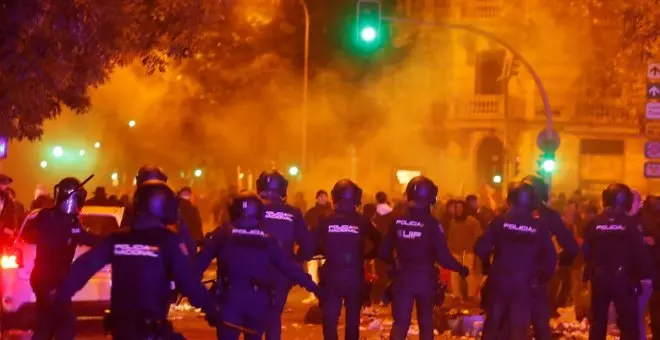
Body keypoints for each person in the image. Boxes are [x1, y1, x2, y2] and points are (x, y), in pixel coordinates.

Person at [55, 180, 221, 339]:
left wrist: (61, 294)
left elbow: (84, 266)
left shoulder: (117, 239)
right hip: (152, 330)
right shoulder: (168, 241)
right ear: (159, 205)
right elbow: (188, 283)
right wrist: (212, 309)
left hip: (121, 330)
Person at [195, 192, 317, 339]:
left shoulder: (223, 234)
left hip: (229, 300)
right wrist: (315, 288)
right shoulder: (268, 239)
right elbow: (289, 267)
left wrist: (203, 301)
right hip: (258, 302)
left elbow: (198, 265)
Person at [379, 176, 469, 340]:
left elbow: (384, 252)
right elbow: (443, 257)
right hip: (425, 280)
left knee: (400, 324)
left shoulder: (397, 222)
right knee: (426, 323)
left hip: (402, 279)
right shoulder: (433, 224)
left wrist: (394, 267)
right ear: (430, 198)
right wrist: (461, 269)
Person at [475, 181, 557, 340]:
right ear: (533, 203)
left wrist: (488, 269)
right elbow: (550, 259)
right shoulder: (539, 228)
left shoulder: (499, 222)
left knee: (493, 325)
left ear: (510, 200)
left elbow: (481, 249)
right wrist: (538, 279)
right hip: (524, 286)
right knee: (518, 329)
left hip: (499, 283)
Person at [31, 177, 102, 340]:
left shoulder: (71, 223)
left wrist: (115, 240)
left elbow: (88, 238)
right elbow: (45, 231)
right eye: (78, 199)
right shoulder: (47, 217)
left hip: (57, 281)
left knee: (48, 324)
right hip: (47, 280)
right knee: (60, 324)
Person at [582, 183, 653, 340]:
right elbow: (639, 254)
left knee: (598, 322)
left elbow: (586, 250)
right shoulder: (630, 225)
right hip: (624, 280)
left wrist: (591, 269)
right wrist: (644, 275)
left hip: (599, 279)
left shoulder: (594, 223)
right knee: (628, 324)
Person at [313, 180, 381, 340]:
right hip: (354, 275)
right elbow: (380, 241)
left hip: (331, 274)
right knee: (352, 321)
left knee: (330, 319)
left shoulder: (324, 219)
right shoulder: (362, 220)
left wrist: (322, 251)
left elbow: (311, 243)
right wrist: (367, 255)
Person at [256, 169, 314, 340]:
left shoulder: (251, 209)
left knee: (254, 318)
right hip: (282, 273)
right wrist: (297, 261)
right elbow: (308, 246)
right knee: (274, 316)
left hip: (254, 270)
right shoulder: (293, 213)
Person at [521, 175, 579, 328]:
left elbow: (571, 246)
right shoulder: (511, 214)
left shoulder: (548, 216)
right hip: (519, 277)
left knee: (538, 322)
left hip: (540, 278)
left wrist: (556, 259)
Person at [447, 200, 482, 301]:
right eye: (456, 208)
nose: (458, 210)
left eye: (460, 208)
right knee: (455, 276)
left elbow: (478, 237)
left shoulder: (472, 222)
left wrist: (475, 251)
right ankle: (457, 296)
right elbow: (451, 237)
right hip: (456, 253)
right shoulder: (453, 222)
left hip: (468, 253)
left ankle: (471, 296)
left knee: (469, 275)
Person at [303, 189, 333, 304]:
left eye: (324, 196)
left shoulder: (332, 212)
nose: (323, 198)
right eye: (320, 197)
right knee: (312, 272)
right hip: (314, 247)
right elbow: (305, 228)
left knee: (329, 272)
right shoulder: (311, 212)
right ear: (317, 198)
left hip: (328, 247)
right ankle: (313, 295)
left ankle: (329, 294)